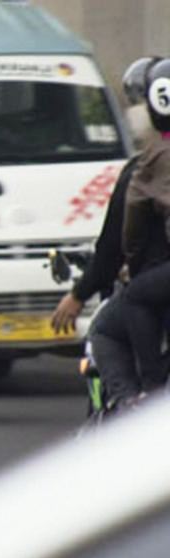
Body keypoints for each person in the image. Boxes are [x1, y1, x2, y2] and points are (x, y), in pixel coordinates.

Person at [51, 57, 170, 404]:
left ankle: (136, 404)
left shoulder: (145, 166)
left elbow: (119, 241)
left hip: (156, 280)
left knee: (106, 329)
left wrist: (79, 294)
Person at [118, 57, 170, 394]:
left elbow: (133, 219)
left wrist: (132, 261)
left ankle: (152, 386)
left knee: (135, 297)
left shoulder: (154, 154)